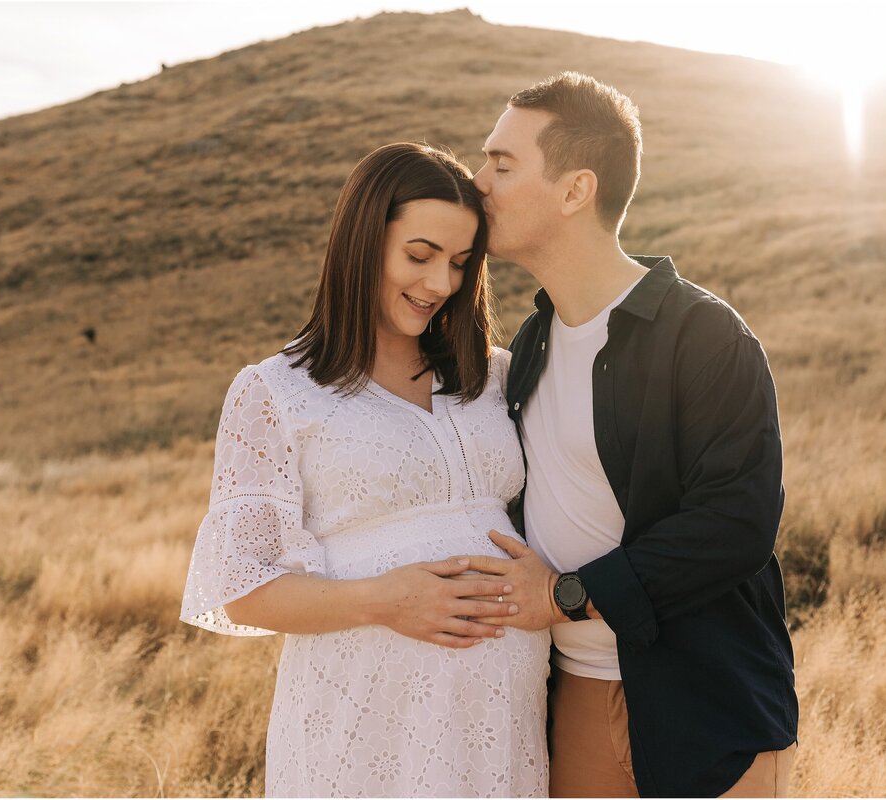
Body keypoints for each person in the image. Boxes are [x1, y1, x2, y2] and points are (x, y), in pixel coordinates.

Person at [459, 72, 800, 797]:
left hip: (704, 706)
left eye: (502, 163)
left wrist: (567, 593)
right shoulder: (529, 347)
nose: (478, 180)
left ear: (575, 190)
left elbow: (735, 523)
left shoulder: (703, 334)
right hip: (571, 706)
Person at [180, 142, 551, 797]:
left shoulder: (495, 376)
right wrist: (385, 600)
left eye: (461, 264)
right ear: (362, 241)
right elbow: (242, 587)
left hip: (501, 718)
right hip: (362, 718)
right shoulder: (275, 391)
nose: (440, 284)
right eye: (419, 255)